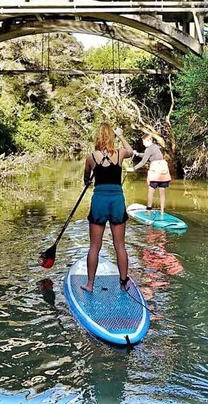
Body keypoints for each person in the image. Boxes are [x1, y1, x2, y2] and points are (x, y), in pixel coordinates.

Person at [81, 123, 134, 292]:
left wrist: (89, 180)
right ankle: (124, 284)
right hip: (116, 200)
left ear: (97, 137)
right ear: (111, 137)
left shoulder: (91, 158)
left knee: (94, 246)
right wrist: (121, 135)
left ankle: (90, 284)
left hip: (99, 201)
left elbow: (86, 180)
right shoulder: (119, 154)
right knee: (120, 245)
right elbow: (131, 151)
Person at [131, 133, 172, 215]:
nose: (143, 143)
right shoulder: (155, 147)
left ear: (149, 140)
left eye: (144, 141)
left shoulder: (148, 149)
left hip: (155, 173)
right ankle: (162, 212)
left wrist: (133, 168)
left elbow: (143, 162)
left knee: (150, 192)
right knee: (162, 193)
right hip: (163, 173)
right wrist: (138, 154)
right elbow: (147, 155)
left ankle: (148, 212)